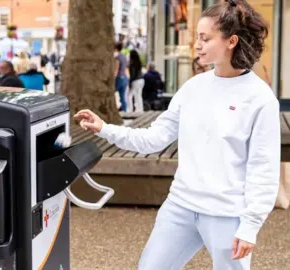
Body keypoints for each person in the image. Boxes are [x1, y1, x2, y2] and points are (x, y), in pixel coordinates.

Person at [74, 1, 278, 269]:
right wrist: (104, 128)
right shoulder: (193, 87)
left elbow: (264, 168)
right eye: (197, 37)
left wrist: (250, 224)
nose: (197, 45)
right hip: (180, 207)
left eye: (205, 38)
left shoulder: (261, 99)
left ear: (231, 41)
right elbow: (153, 139)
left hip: (228, 215)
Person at [114, 42, 128, 111]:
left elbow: (116, 69)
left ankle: (115, 108)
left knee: (112, 93)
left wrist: (114, 78)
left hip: (119, 78)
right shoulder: (124, 57)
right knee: (122, 96)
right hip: (125, 77)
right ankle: (125, 110)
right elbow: (125, 68)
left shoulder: (117, 57)